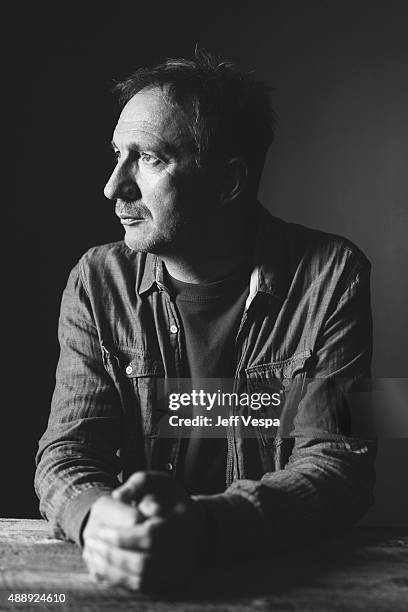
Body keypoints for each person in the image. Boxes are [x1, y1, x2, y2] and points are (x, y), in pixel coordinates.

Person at [35, 49, 376, 592]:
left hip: (279, 582)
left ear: (228, 183)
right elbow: (68, 454)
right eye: (117, 155)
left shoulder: (330, 274)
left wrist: (207, 528)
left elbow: (336, 464)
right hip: (137, 575)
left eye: (149, 159)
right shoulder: (99, 281)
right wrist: (100, 520)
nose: (113, 186)